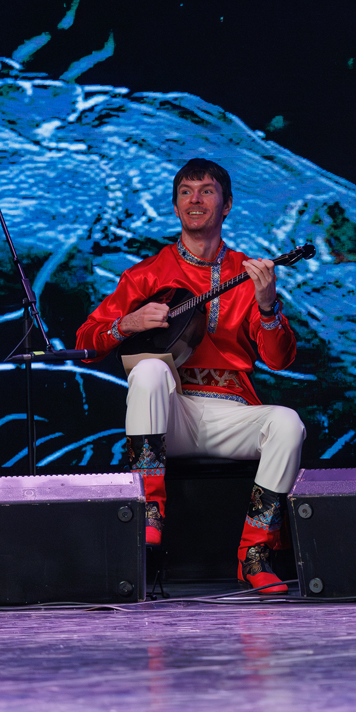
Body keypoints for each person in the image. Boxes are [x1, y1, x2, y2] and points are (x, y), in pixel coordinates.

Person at [76, 158, 305, 594]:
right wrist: (128, 323)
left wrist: (268, 305)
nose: (195, 199)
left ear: (227, 205)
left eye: (206, 191)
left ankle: (255, 553)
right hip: (170, 415)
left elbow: (279, 361)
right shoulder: (147, 275)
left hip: (231, 412)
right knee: (148, 371)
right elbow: (87, 342)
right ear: (176, 206)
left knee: (288, 423)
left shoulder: (248, 272)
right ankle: (148, 509)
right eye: (185, 192)